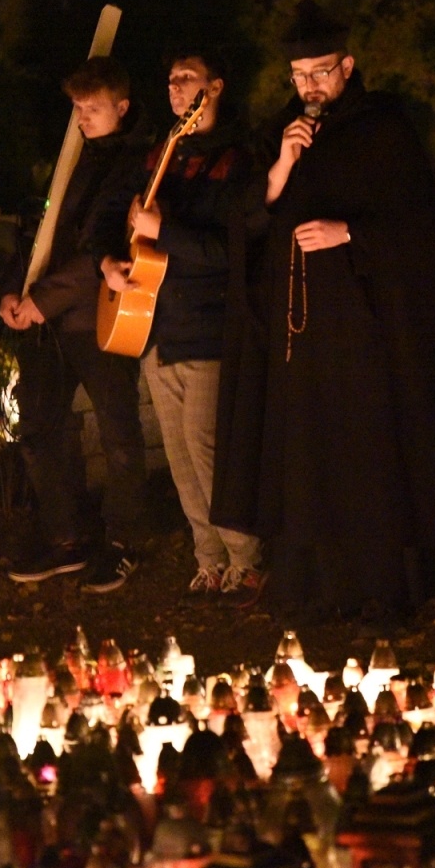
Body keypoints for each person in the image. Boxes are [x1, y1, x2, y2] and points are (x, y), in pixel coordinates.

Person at [212, 1, 435, 629]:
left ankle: (382, 585)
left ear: (348, 66)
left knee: (369, 457)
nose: (310, 86)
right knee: (307, 457)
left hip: (370, 331)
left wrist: (351, 232)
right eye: (299, 76)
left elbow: (418, 229)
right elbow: (250, 222)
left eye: (321, 72)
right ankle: (314, 586)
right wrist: (281, 170)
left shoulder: (386, 129)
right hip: (301, 338)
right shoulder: (285, 131)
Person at [93, 48, 262, 604]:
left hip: (209, 328)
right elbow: (114, 221)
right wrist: (109, 263)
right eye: (169, 79)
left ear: (214, 87)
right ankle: (207, 559)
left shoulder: (237, 161)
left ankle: (246, 559)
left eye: (186, 78)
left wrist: (164, 231)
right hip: (154, 326)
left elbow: (229, 250)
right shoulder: (158, 154)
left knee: (207, 446)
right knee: (178, 454)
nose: (174, 87)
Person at [1, 57, 150, 592]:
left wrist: (43, 298)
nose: (82, 117)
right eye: (77, 108)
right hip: (47, 319)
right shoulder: (74, 158)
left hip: (97, 318)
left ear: (122, 106)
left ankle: (123, 541)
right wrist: (13, 291)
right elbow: (44, 226)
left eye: (93, 107)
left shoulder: (137, 163)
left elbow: (103, 247)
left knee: (119, 433)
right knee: (40, 426)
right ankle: (66, 535)